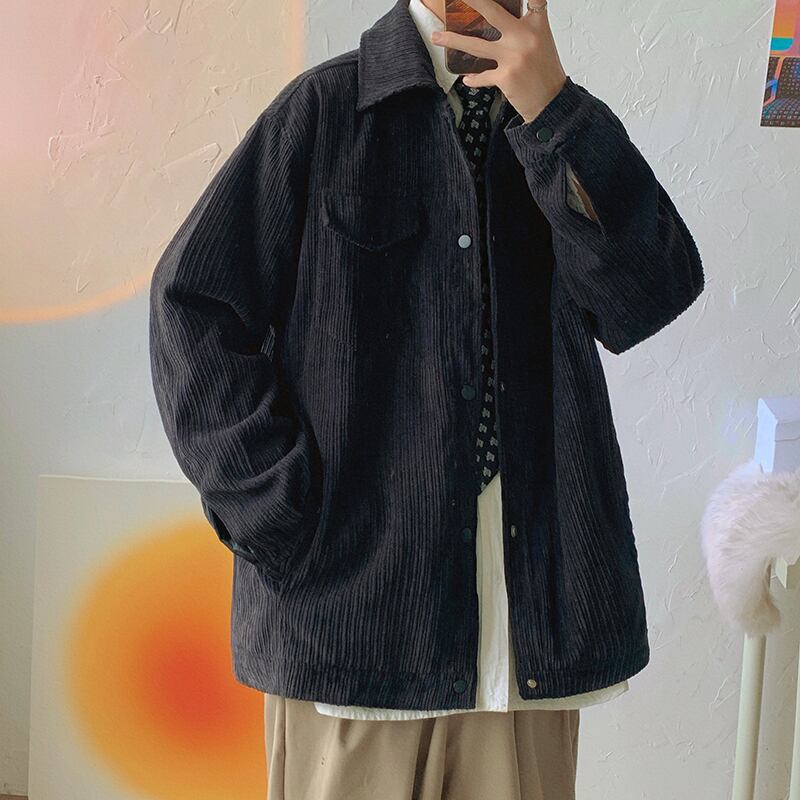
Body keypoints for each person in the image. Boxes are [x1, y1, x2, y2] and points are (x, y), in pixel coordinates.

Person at [148, 0, 705, 796]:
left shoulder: (559, 125)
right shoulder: (324, 112)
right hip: (352, 628)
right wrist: (277, 513)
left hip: (526, 639)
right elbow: (193, 307)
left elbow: (648, 297)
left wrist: (554, 114)